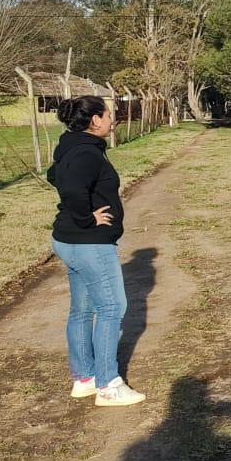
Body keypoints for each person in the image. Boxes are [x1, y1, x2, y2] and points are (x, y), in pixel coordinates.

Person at [48, 95, 146, 407]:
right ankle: (108, 384)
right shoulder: (87, 153)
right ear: (95, 121)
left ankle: (85, 379)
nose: (112, 119)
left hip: (69, 241)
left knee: (82, 310)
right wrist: (87, 217)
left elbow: (55, 176)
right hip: (89, 243)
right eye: (109, 115)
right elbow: (73, 188)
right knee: (111, 308)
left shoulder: (70, 145)